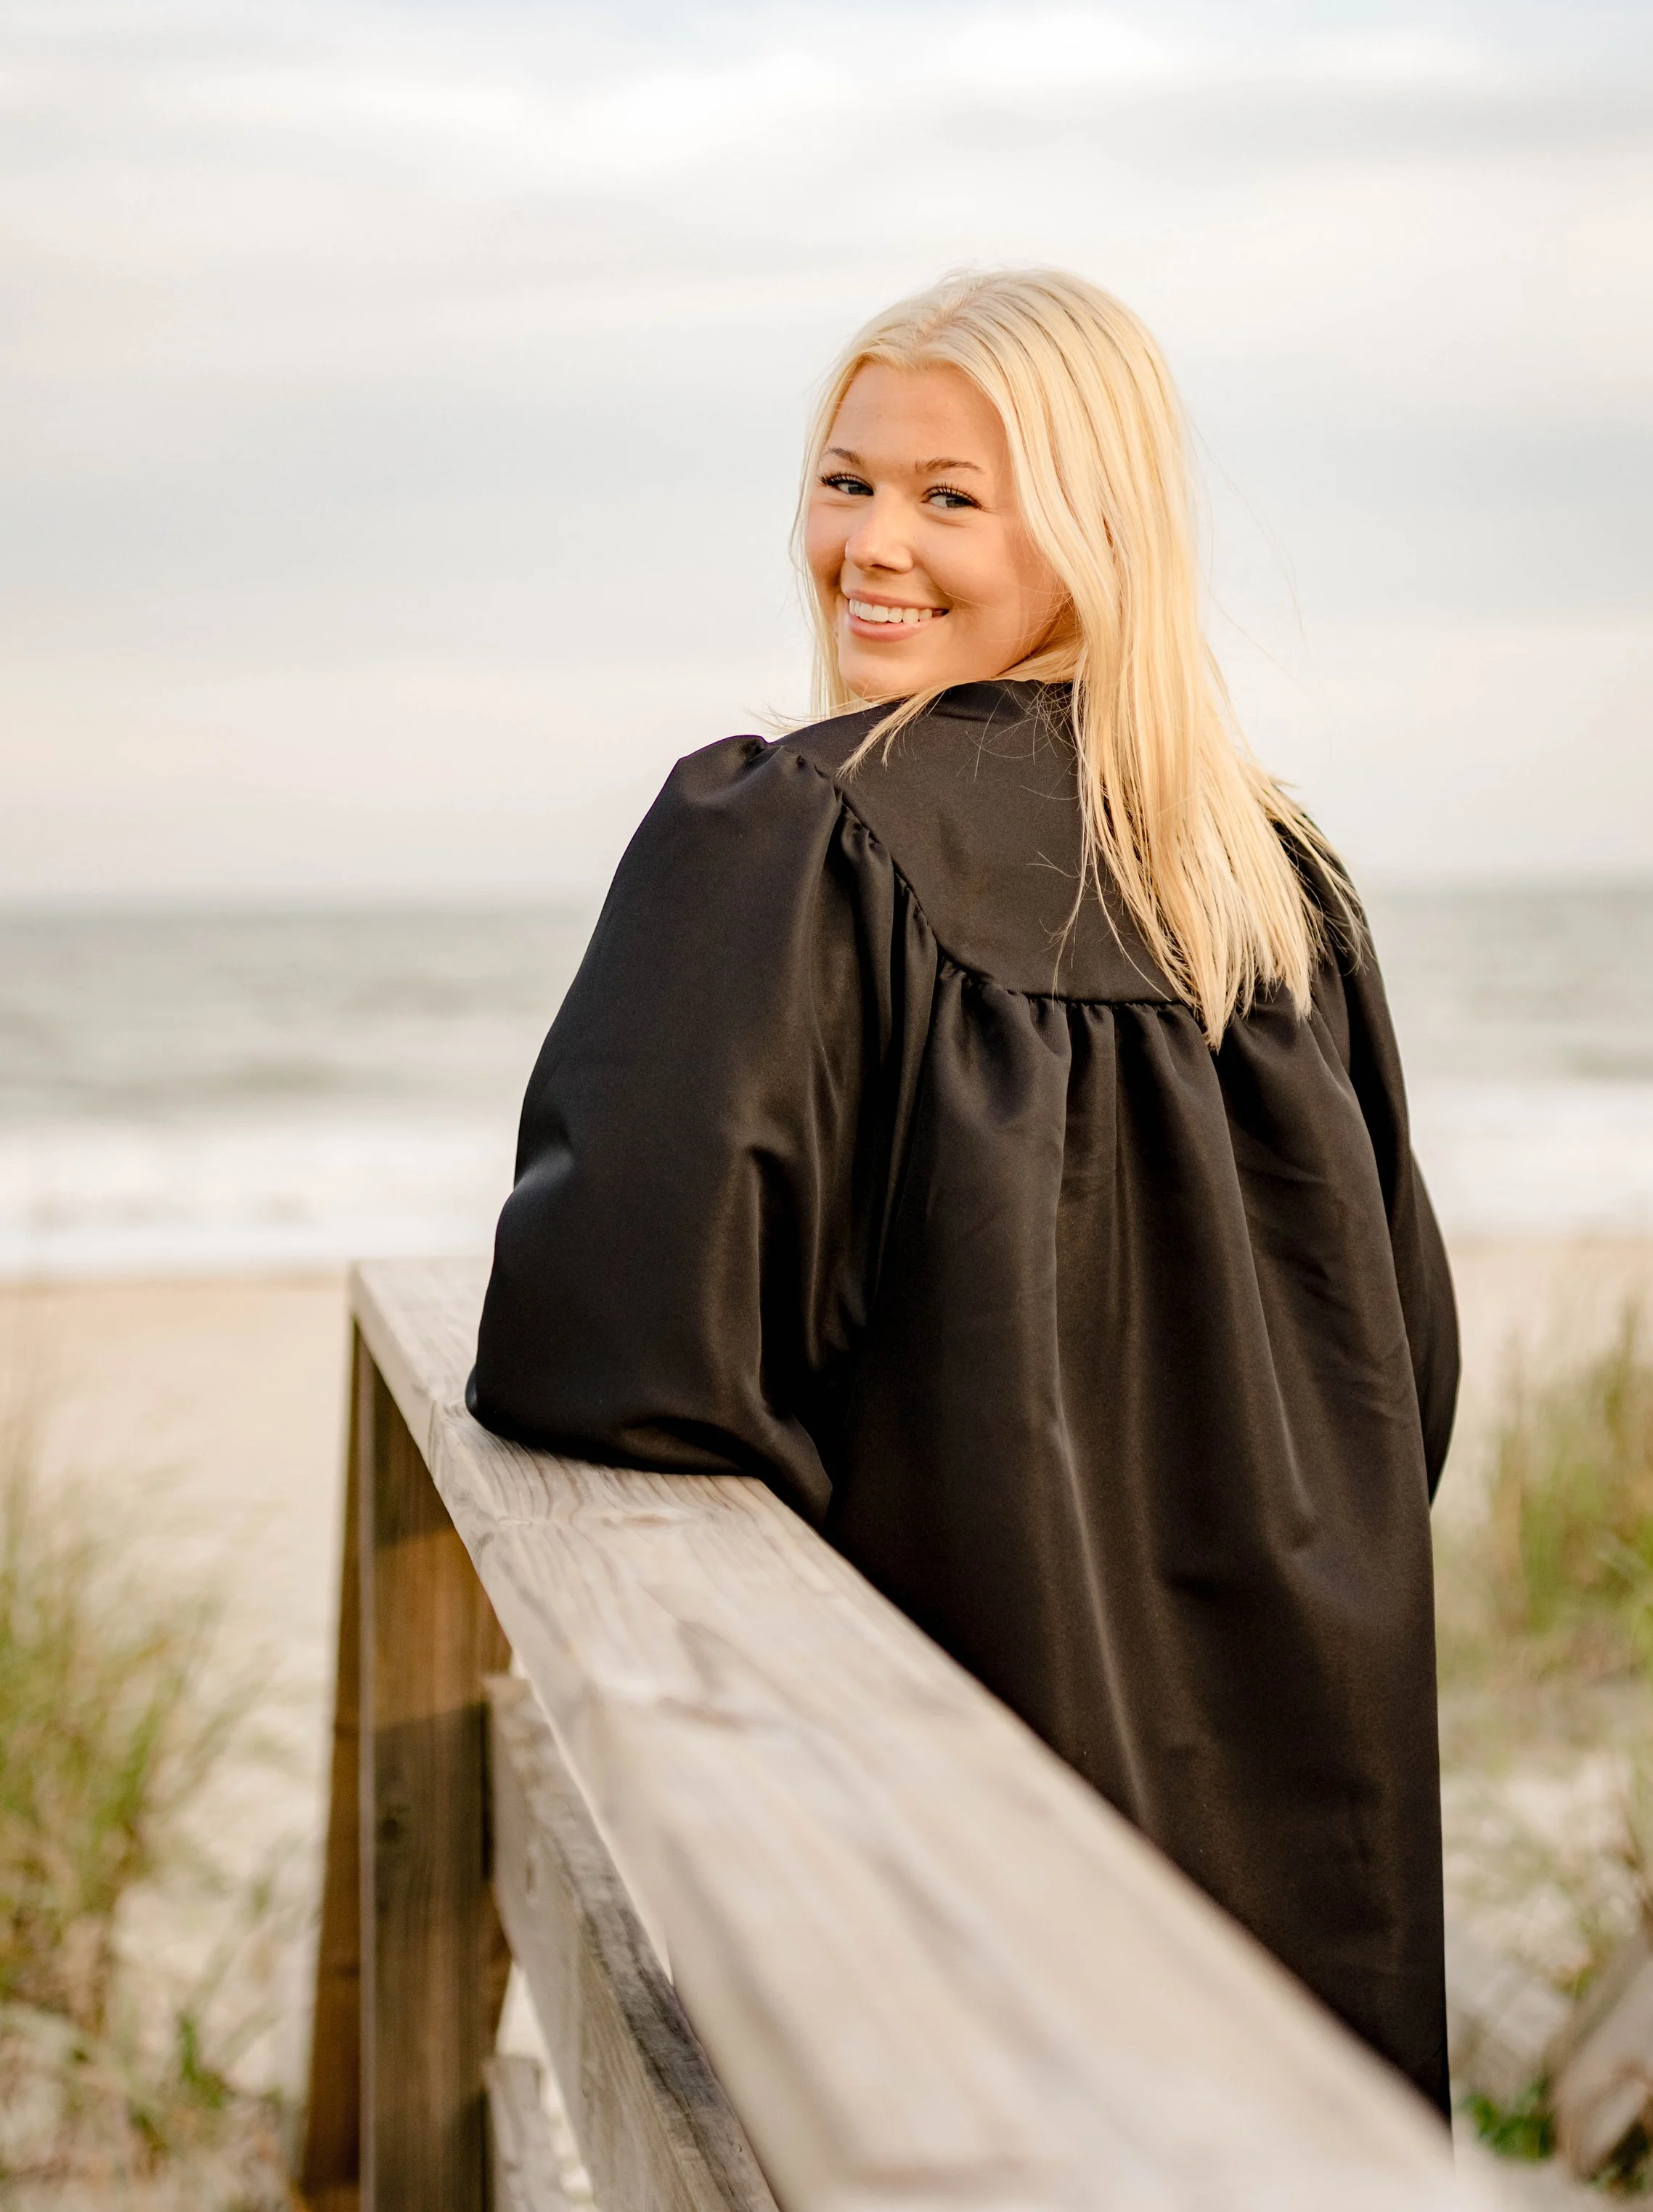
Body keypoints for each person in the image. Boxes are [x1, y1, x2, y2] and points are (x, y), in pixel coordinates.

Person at [468, 267, 1459, 2115]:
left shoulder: (784, 837)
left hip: (945, 1839)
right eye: (845, 483)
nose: (869, 547)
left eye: (947, 497)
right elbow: (1401, 1383)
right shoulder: (1272, 882)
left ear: (1092, 530)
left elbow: (599, 1355)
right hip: (1299, 1831)